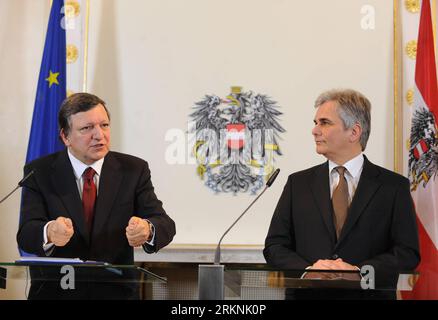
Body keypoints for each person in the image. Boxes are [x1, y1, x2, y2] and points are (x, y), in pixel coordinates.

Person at [264, 89, 420, 300]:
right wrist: (308, 270)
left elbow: (407, 252)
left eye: (325, 122)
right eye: (315, 122)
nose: (314, 130)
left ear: (354, 132)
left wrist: (360, 273)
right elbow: (275, 246)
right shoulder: (297, 184)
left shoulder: (393, 187)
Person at [17, 93, 176, 299]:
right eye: (87, 128)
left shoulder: (133, 170)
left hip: (115, 294)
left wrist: (148, 229)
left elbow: (165, 224)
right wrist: (49, 232)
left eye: (104, 125)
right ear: (65, 137)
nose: (99, 135)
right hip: (55, 294)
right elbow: (26, 234)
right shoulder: (39, 172)